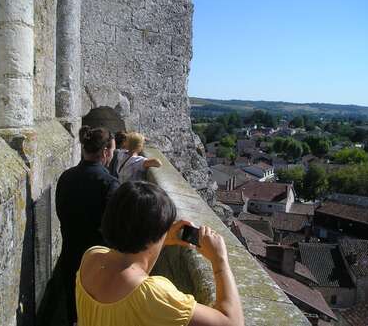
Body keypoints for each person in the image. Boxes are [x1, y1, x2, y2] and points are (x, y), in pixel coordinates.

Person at [76, 181, 244, 326]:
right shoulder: (151, 295)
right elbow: (232, 323)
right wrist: (220, 260)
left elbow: (131, 269)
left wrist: (161, 238)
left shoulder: (91, 257)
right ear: (152, 236)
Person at [56, 126, 120, 325]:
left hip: (69, 255)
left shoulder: (66, 177)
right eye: (113, 151)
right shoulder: (110, 184)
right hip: (98, 262)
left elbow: (61, 213)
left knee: (74, 314)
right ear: (105, 152)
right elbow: (114, 230)